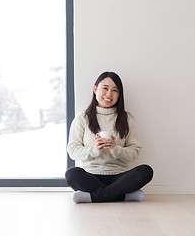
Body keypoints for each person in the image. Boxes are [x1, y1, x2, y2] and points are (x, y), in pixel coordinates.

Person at [65, 72, 153, 203]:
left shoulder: (127, 118)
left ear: (119, 94)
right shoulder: (82, 118)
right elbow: (72, 150)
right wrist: (94, 149)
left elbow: (135, 152)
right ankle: (123, 196)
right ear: (95, 89)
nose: (109, 94)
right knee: (71, 173)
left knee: (145, 171)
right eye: (105, 88)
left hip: (119, 176)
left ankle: (93, 196)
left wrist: (115, 148)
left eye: (115, 90)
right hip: (91, 175)